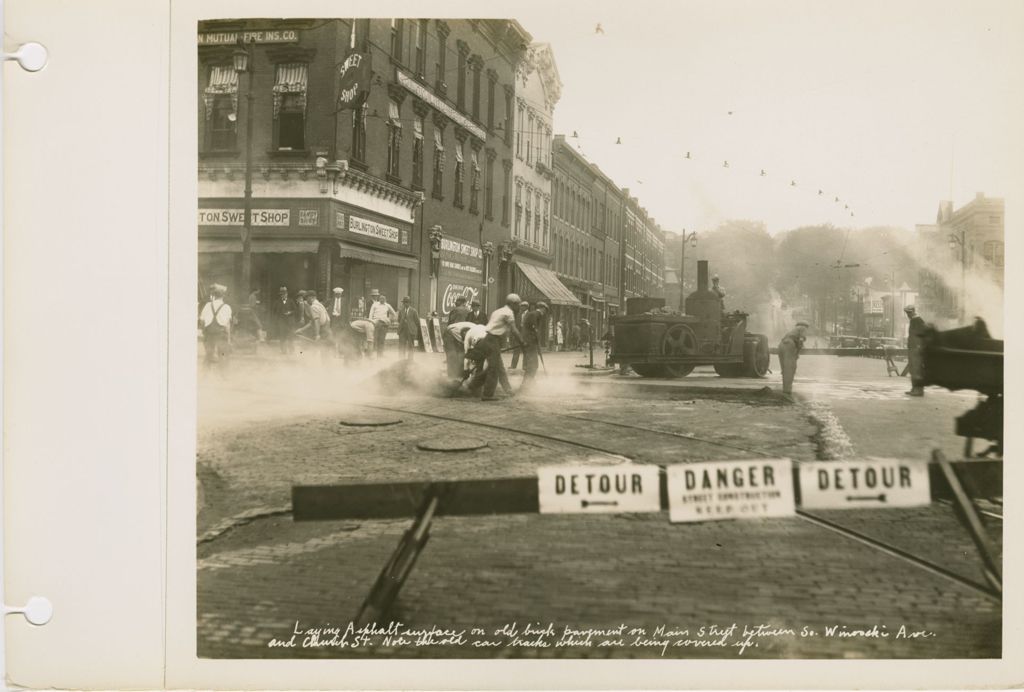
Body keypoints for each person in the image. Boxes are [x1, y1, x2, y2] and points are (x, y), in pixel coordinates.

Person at [477, 294, 523, 401]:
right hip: (493, 340)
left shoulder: (498, 311)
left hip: (488, 339)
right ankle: (487, 395)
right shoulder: (509, 313)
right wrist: (522, 341)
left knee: (499, 367)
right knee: (494, 369)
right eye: (518, 305)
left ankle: (508, 390)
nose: (519, 307)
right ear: (513, 304)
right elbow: (514, 330)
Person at [199, 284, 232, 367]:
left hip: (209, 334)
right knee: (223, 355)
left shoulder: (207, 305)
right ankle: (223, 376)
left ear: (214, 295)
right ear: (223, 296)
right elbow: (227, 325)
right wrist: (229, 338)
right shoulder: (227, 307)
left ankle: (204, 375)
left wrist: (204, 332)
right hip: (221, 334)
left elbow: (202, 321)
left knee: (208, 355)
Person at [520, 301, 549, 392]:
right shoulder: (535, 315)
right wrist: (537, 342)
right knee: (533, 365)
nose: (544, 313)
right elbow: (534, 329)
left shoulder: (533, 314)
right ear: (542, 308)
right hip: (530, 343)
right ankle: (525, 385)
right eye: (545, 310)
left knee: (531, 364)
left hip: (529, 343)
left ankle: (530, 383)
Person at [295, 292, 333, 359]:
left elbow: (316, 321)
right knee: (325, 353)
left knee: (323, 353)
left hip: (323, 331)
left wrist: (317, 334)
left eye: (307, 298)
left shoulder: (313, 307)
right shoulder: (320, 305)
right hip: (328, 331)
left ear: (311, 297)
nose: (306, 301)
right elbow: (312, 322)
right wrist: (301, 330)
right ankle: (327, 367)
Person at [778, 321, 809, 397]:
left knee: (784, 369)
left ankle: (785, 389)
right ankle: (787, 392)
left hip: (781, 345)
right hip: (789, 345)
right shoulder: (803, 328)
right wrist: (799, 350)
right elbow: (801, 339)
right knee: (790, 368)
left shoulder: (792, 331)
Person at [904, 305, 927, 397]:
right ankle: (915, 388)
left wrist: (918, 347)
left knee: (917, 369)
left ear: (913, 311)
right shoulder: (915, 320)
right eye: (907, 313)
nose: (908, 315)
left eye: (909, 313)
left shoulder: (917, 320)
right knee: (913, 369)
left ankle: (918, 390)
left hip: (916, 349)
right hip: (913, 349)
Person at [269, 286, 297, 353]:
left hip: (290, 322)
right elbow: (274, 312)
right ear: (280, 295)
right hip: (281, 322)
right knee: (282, 336)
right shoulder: (277, 302)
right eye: (282, 294)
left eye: (285, 294)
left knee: (291, 336)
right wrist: (277, 319)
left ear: (287, 294)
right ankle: (283, 350)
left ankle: (291, 350)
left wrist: (290, 312)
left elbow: (296, 310)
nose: (283, 295)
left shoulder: (291, 301)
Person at [368, 293, 397, 359]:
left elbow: (394, 314)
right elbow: (370, 315)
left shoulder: (387, 305)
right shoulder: (375, 305)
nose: (382, 299)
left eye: (383, 298)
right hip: (376, 324)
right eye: (381, 298)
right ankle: (372, 356)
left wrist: (389, 320)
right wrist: (371, 322)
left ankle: (380, 355)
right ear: (379, 298)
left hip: (384, 324)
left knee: (381, 340)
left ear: (386, 299)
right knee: (374, 339)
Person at [509, 301, 529, 369]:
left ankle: (525, 366)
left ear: (526, 307)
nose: (521, 307)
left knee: (525, 352)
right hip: (518, 336)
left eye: (523, 306)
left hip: (526, 336)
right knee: (516, 351)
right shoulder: (518, 314)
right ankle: (513, 366)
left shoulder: (529, 315)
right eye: (521, 306)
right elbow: (516, 325)